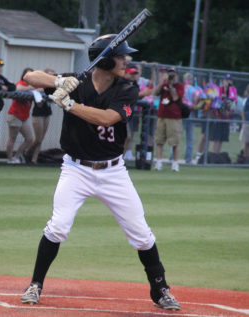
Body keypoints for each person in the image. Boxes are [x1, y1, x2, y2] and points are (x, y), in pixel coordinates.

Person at [20, 34, 180, 311]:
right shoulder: (75, 81)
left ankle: (160, 289)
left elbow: (107, 118)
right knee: (58, 226)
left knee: (141, 234)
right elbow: (29, 77)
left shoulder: (126, 89)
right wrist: (58, 82)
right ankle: (35, 284)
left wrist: (69, 104)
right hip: (75, 170)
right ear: (104, 59)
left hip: (113, 172)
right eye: (120, 56)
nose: (126, 60)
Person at [153, 67, 184, 171]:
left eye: (173, 74)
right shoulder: (164, 84)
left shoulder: (180, 86)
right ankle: (158, 162)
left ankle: (175, 164)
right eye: (170, 74)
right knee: (159, 140)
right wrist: (162, 82)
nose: (171, 76)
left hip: (174, 117)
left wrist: (171, 86)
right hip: (162, 115)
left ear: (177, 76)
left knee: (175, 142)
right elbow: (155, 92)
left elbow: (175, 98)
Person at [26, 68, 55, 165]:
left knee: (41, 138)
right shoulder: (40, 86)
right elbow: (35, 91)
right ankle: (27, 152)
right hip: (38, 114)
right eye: (49, 75)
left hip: (47, 113)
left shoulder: (53, 87)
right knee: (38, 139)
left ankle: (35, 159)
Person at [6, 67, 35, 164]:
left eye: (31, 75)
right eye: (27, 75)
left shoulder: (34, 85)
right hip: (15, 114)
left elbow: (41, 90)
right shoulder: (21, 83)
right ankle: (10, 159)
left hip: (25, 117)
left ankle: (17, 156)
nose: (29, 77)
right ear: (23, 76)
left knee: (30, 138)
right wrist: (30, 88)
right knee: (12, 138)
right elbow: (17, 88)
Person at [210, 74, 237, 153]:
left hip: (226, 118)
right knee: (216, 138)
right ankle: (213, 154)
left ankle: (217, 154)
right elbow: (215, 103)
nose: (228, 82)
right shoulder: (219, 89)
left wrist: (229, 111)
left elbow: (234, 103)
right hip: (218, 117)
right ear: (223, 81)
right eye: (226, 80)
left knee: (221, 138)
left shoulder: (233, 90)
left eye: (229, 81)